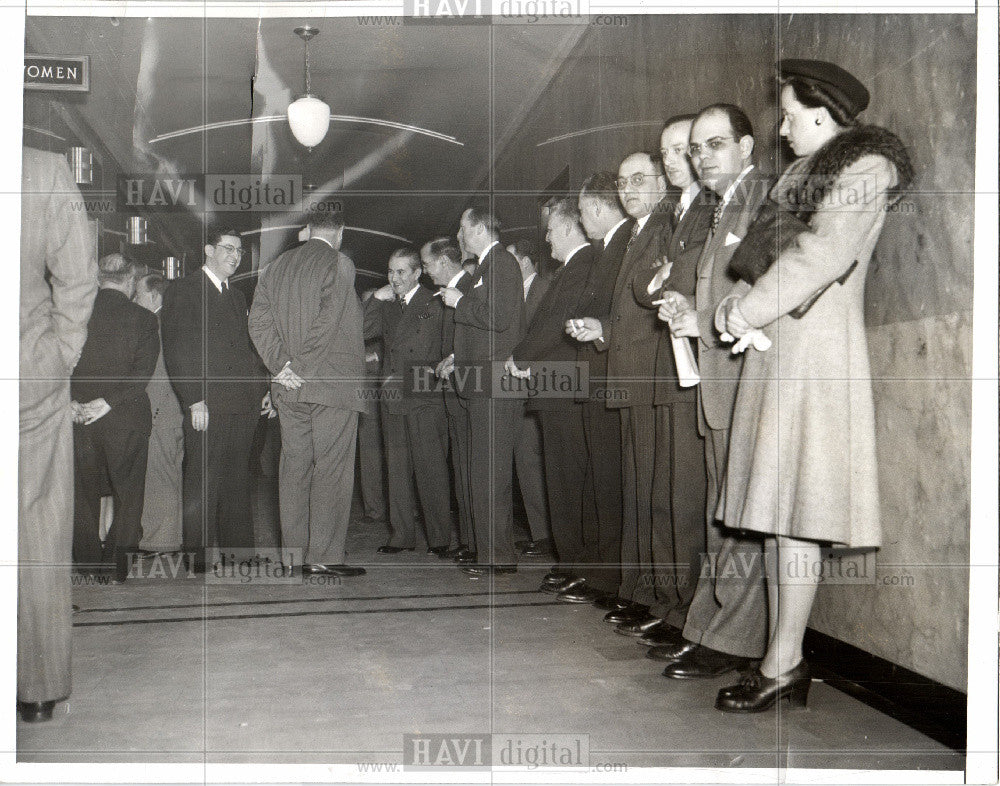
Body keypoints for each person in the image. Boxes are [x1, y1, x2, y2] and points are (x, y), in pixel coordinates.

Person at [713, 60, 912, 712]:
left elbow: (820, 255)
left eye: (792, 114)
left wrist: (745, 310)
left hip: (816, 363)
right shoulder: (800, 174)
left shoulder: (864, 169)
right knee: (778, 517)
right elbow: (765, 257)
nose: (783, 125)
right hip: (780, 358)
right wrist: (730, 302)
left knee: (798, 517)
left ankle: (783, 661)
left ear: (824, 114)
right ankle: (785, 661)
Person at [650, 103, 770, 679]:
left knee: (741, 515)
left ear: (746, 148)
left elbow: (765, 288)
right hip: (718, 381)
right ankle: (707, 628)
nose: (701, 157)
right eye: (696, 148)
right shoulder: (726, 206)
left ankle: (734, 641)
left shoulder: (760, 197)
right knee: (721, 512)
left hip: (744, 380)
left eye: (714, 144)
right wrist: (688, 310)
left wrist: (706, 319)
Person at [566, 152, 672, 633]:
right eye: (623, 181)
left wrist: (605, 330)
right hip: (624, 374)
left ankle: (657, 600)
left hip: (653, 377)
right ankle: (637, 590)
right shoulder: (635, 235)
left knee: (656, 493)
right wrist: (603, 329)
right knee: (636, 489)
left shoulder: (660, 227)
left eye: (639, 180)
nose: (628, 189)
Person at [18, 147, 97, 723]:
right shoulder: (41, 172)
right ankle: (37, 685)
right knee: (37, 526)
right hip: (25, 380)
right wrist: (57, 357)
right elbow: (77, 277)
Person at [628, 115, 713, 644]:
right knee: (664, 490)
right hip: (666, 366)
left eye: (682, 150)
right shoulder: (670, 212)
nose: (674, 160)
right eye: (666, 153)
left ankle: (690, 611)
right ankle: (668, 599)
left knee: (687, 494)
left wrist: (670, 272)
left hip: (696, 365)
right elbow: (643, 283)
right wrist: (665, 273)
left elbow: (687, 271)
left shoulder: (710, 206)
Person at [248, 212, 367, 577]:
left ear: (308, 231)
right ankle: (325, 557)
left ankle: (293, 558)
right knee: (331, 468)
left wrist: (282, 366)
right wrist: (300, 366)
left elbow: (257, 320)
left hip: (288, 387)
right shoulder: (340, 262)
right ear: (340, 232)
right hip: (331, 385)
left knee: (294, 467)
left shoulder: (276, 266)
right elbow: (329, 319)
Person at [161, 228, 269, 573]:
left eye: (239, 251)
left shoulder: (237, 297)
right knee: (203, 481)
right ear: (208, 250)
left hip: (243, 404)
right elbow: (178, 348)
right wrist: (194, 399)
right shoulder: (184, 290)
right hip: (207, 405)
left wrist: (261, 390)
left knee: (238, 480)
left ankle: (240, 554)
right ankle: (200, 559)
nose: (235, 256)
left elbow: (247, 352)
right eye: (228, 249)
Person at [508, 198, 594, 594]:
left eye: (550, 230)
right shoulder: (568, 269)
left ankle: (581, 564)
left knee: (570, 478)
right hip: (557, 385)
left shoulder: (583, 263)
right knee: (561, 478)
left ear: (568, 229)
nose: (546, 238)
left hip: (565, 384)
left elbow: (554, 326)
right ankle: (571, 560)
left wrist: (520, 357)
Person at [439, 207, 525, 576]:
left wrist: (460, 301)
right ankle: (489, 552)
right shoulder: (488, 268)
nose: (458, 236)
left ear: (477, 229)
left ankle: (498, 557)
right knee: (483, 471)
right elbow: (490, 326)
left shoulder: (501, 263)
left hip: (494, 385)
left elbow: (498, 317)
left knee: (490, 474)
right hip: (480, 383)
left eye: (461, 229)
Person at [558, 172, 631, 607]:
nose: (582, 221)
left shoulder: (620, 245)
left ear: (600, 209)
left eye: (583, 212)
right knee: (602, 483)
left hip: (610, 377)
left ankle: (609, 579)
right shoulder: (609, 248)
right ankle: (603, 575)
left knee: (609, 483)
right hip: (598, 375)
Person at [71, 254, 159, 583]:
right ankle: (115, 567)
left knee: (82, 492)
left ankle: (87, 564)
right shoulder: (145, 319)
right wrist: (107, 402)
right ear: (129, 281)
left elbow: (56, 363)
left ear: (97, 279)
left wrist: (70, 401)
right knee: (128, 493)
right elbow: (141, 375)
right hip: (126, 418)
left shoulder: (75, 316)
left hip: (79, 418)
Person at [363, 249, 451, 556]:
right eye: (390, 271)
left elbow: (446, 347)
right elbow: (362, 331)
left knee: (431, 469)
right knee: (397, 470)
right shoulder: (387, 306)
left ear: (417, 273)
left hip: (424, 395)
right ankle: (401, 535)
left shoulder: (434, 301)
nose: (394, 278)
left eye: (401, 272)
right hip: (393, 397)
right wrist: (375, 298)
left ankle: (440, 538)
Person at [424, 238, 475, 558]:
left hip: (471, 389)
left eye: (427, 264)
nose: (426, 271)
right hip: (453, 391)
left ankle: (478, 542)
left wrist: (457, 354)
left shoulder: (471, 286)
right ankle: (469, 541)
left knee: (472, 467)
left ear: (443, 261)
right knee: (462, 467)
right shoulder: (443, 295)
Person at [134, 272, 184, 556]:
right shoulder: (178, 321)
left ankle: (158, 541)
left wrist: (152, 411)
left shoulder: (155, 324)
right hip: (177, 411)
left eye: (139, 295)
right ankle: (172, 536)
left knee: (158, 477)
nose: (135, 300)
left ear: (154, 296)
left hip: (159, 410)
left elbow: (158, 375)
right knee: (172, 475)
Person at [508, 239, 551, 557]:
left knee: (540, 459)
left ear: (523, 262)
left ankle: (549, 534)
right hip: (515, 388)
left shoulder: (546, 287)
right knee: (526, 459)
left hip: (542, 384)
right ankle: (540, 533)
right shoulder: (511, 294)